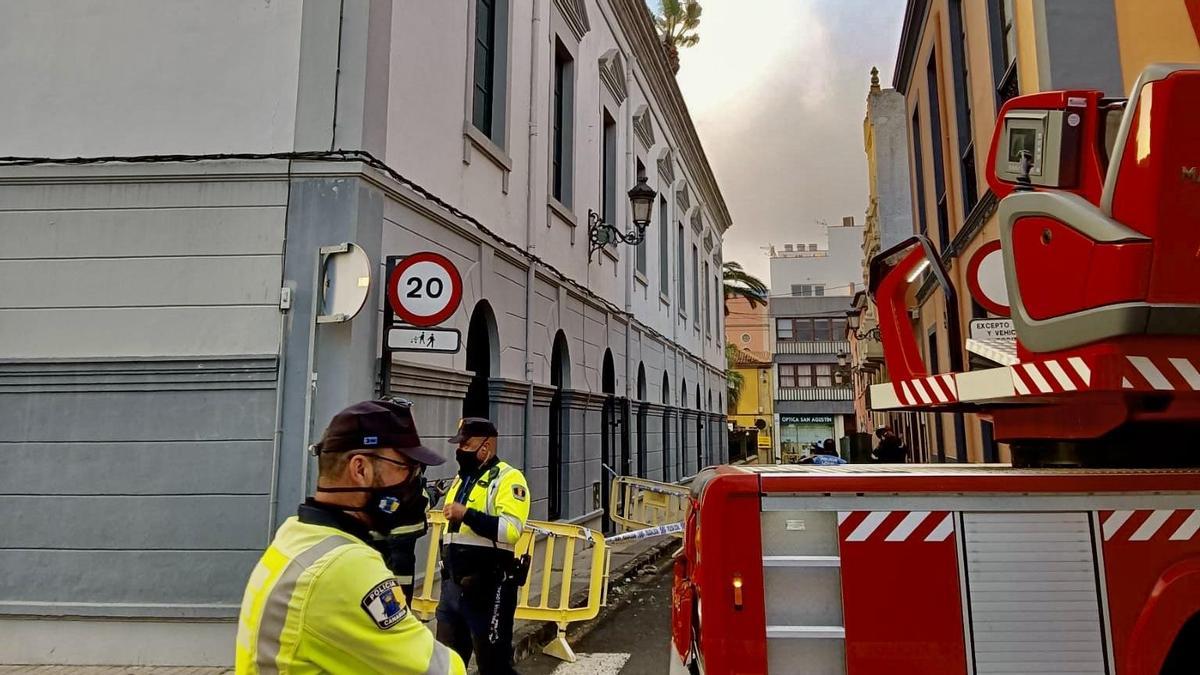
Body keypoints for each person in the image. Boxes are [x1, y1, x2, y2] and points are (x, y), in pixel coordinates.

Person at [235, 400, 464, 675]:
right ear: (360, 469)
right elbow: (438, 670)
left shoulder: (295, 536)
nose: (413, 483)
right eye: (406, 468)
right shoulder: (346, 565)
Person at [437, 417, 531, 675]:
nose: (460, 451)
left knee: (493, 664)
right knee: (445, 664)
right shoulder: (461, 479)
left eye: (466, 445)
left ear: (486, 446)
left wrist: (467, 514)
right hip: (453, 588)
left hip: (488, 589)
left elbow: (511, 531)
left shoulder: (508, 479)